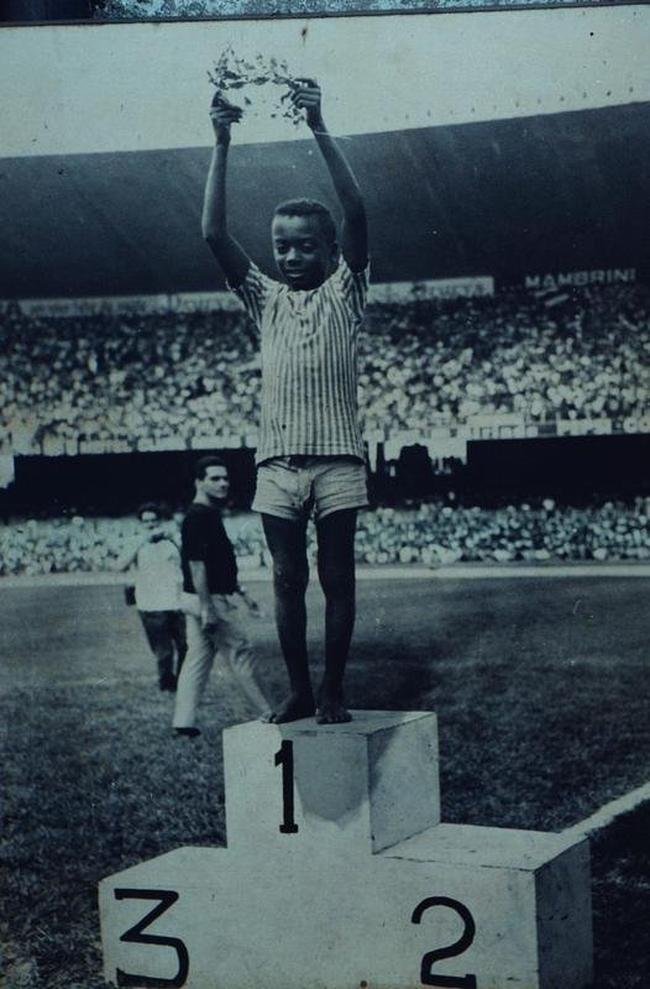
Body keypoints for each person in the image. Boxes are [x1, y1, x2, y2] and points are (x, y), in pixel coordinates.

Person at [202, 77, 369, 725]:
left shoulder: (345, 293)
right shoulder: (264, 298)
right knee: (285, 577)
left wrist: (318, 123)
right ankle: (300, 687)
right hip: (276, 463)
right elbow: (213, 231)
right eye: (281, 246)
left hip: (337, 460)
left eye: (305, 246)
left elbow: (356, 212)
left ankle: (333, 687)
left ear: (331, 253)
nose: (291, 255)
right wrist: (221, 139)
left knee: (338, 577)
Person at [172, 456, 269, 737]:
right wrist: (208, 609)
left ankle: (183, 721)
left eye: (225, 478)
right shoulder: (199, 515)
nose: (223, 483)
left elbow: (217, 564)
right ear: (199, 482)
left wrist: (243, 594)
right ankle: (268, 713)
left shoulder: (205, 513)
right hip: (208, 600)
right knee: (240, 651)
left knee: (198, 658)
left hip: (200, 597)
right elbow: (197, 565)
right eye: (215, 478)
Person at [113, 502, 186, 692]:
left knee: (185, 645)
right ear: (140, 524)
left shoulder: (172, 540)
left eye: (154, 520)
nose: (151, 525)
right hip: (150, 604)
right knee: (163, 651)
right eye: (146, 521)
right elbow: (119, 565)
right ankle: (167, 684)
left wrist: (174, 539)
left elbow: (187, 561)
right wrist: (142, 541)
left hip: (177, 601)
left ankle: (184, 683)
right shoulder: (135, 542)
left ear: (160, 521)